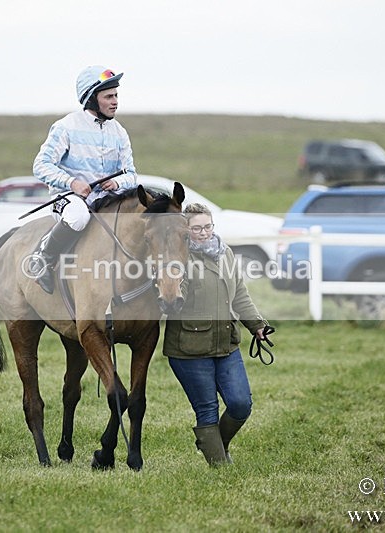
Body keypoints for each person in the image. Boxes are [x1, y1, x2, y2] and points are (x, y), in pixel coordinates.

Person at [163, 203, 271, 466]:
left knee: (240, 404)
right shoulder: (179, 259)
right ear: (186, 230)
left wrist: (257, 325)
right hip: (189, 348)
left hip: (226, 344)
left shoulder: (226, 254)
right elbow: (175, 296)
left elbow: (240, 294)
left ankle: (215, 445)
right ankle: (220, 465)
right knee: (207, 410)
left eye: (207, 226)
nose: (203, 232)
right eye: (197, 228)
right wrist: (173, 290)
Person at [28, 65, 138, 293]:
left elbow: (132, 175)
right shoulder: (65, 127)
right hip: (68, 199)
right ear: (91, 99)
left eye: (116, 95)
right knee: (79, 217)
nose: (115, 101)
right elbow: (41, 165)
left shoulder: (119, 132)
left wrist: (118, 183)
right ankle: (44, 260)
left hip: (106, 200)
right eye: (108, 96)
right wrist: (72, 183)